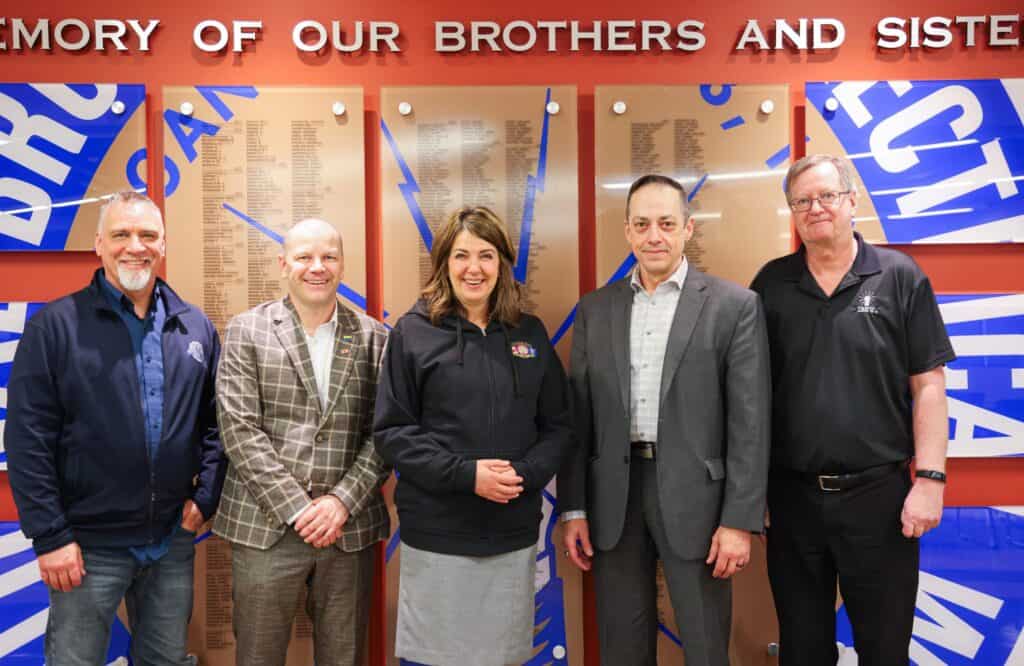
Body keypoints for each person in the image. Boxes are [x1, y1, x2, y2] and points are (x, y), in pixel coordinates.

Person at [558, 174, 771, 666]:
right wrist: (574, 508)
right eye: (642, 224)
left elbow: (750, 423)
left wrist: (739, 520)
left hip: (700, 501)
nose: (655, 235)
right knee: (622, 645)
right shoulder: (595, 309)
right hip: (615, 499)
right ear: (628, 233)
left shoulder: (734, 307)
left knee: (704, 643)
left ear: (688, 229)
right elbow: (579, 418)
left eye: (666, 223)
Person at [750, 154, 954, 665]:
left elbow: (929, 384)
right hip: (791, 499)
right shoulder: (770, 286)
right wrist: (753, 492)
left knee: (884, 650)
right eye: (802, 201)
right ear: (792, 212)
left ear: (851, 200)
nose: (815, 208)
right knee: (803, 650)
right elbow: (748, 397)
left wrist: (929, 479)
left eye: (826, 196)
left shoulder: (900, 276)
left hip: (880, 499)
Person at [5, 190, 224, 665]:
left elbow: (216, 425)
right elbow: (27, 440)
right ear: (98, 244)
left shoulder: (195, 329)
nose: (135, 246)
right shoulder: (55, 328)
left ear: (162, 245)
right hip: (85, 548)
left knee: (165, 661)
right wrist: (52, 537)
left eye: (147, 235)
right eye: (121, 234)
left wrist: (205, 498)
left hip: (171, 541)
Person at [374, 205, 573, 666]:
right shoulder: (413, 332)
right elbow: (393, 433)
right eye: (461, 255)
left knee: (502, 659)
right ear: (445, 262)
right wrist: (467, 476)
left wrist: (522, 475)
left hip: (511, 533)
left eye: (486, 255)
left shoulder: (529, 332)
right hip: (438, 533)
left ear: (502, 263)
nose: (474, 268)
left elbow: (559, 427)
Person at [213, 218, 389, 666]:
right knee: (257, 656)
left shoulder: (376, 339)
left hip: (347, 530)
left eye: (329, 257)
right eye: (305, 257)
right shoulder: (245, 331)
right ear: (283, 263)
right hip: (265, 526)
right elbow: (239, 429)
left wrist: (340, 503)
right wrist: (297, 507)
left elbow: (385, 433)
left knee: (345, 657)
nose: (318, 267)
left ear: (343, 265)